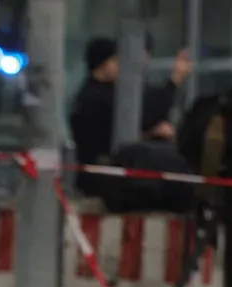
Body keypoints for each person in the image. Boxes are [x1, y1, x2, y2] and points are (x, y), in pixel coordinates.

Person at [70, 36, 193, 198]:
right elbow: (144, 117)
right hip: (102, 178)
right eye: (116, 60)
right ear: (103, 64)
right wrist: (174, 81)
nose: (120, 66)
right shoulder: (96, 98)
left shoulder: (102, 93)